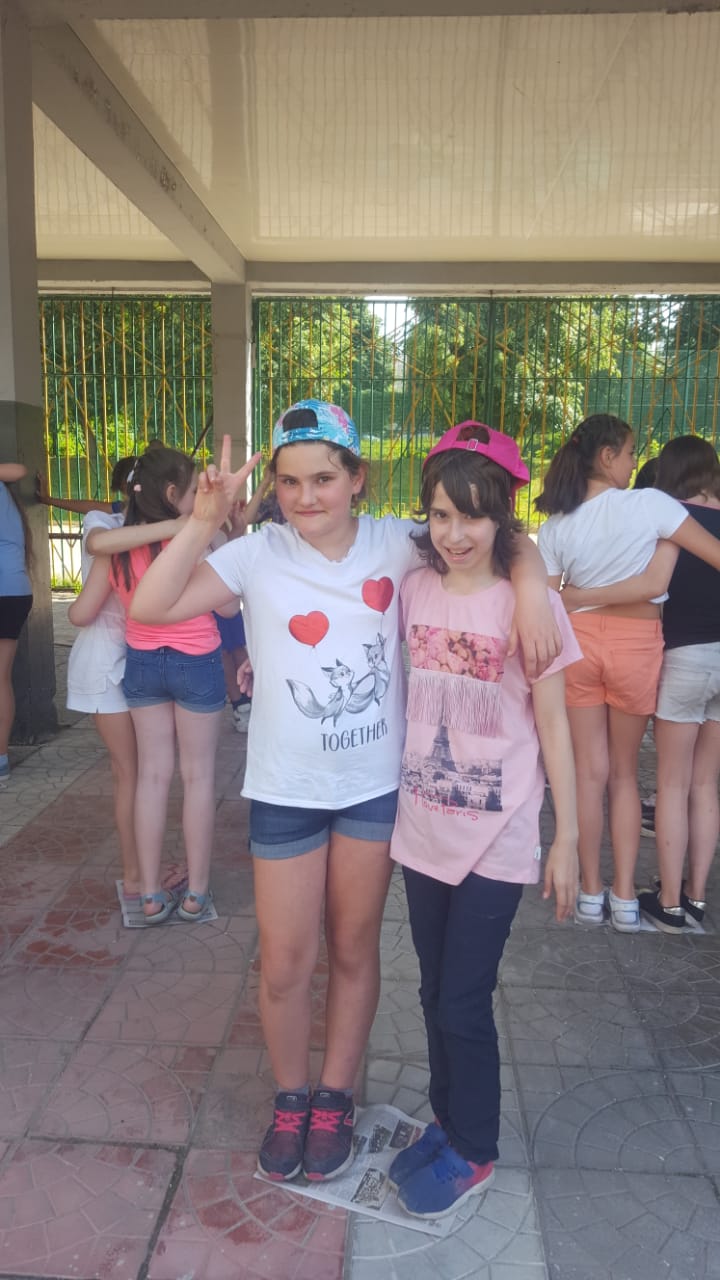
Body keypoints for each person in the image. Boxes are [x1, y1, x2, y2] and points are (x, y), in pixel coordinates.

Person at [125, 400, 562, 1185]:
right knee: (285, 962)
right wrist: (203, 521)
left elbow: (490, 525)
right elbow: (150, 607)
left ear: (358, 479)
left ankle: (334, 1098)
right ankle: (291, 1096)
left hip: (373, 789)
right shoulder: (256, 553)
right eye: (290, 481)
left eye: (324, 478)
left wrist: (530, 587)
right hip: (286, 788)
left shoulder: (397, 542)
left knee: (355, 950)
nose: (307, 496)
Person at [386, 424, 580, 1219]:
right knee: (433, 991)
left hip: (497, 838)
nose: (455, 533)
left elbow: (556, 725)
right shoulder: (412, 587)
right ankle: (448, 1119)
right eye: (440, 514)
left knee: (464, 1000)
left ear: (502, 515)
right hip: (421, 829)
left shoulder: (533, 607)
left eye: (472, 515)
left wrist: (568, 837)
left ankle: (476, 1150)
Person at [537, 413, 720, 933]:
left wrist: (579, 599)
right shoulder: (652, 505)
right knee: (622, 775)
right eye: (631, 452)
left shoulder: (555, 525)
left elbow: (551, 603)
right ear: (607, 456)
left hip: (578, 644)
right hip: (637, 645)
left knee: (588, 774)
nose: (636, 462)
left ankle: (589, 892)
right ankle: (623, 898)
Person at [68, 445, 227, 923]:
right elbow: (227, 607)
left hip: (140, 664)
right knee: (197, 777)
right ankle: (197, 894)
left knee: (151, 777)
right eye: (194, 489)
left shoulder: (116, 548)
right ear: (174, 494)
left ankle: (151, 895)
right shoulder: (197, 541)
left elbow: (81, 612)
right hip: (196, 661)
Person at [65, 456, 186, 901]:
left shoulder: (162, 540)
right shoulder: (108, 526)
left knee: (142, 774)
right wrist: (178, 528)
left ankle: (144, 866)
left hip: (134, 663)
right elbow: (83, 605)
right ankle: (135, 875)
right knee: (130, 773)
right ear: (168, 496)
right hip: (102, 664)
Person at [636, 436, 720, 930]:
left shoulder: (669, 521)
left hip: (685, 658)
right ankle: (696, 896)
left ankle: (668, 902)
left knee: (671, 782)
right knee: (706, 783)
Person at [0, 463, 33, 783]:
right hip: (15, 592)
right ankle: (1, 760)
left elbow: (18, 469)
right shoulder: (8, 502)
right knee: (1, 678)